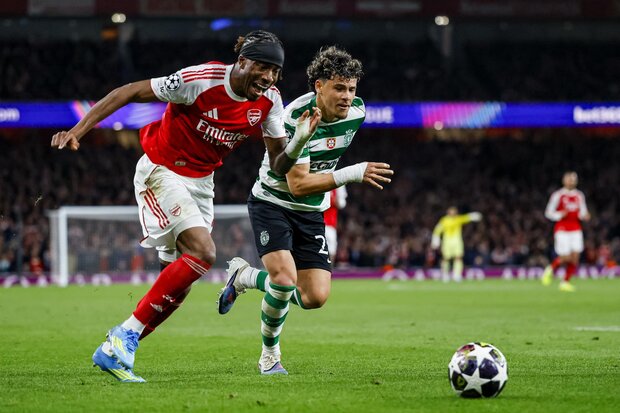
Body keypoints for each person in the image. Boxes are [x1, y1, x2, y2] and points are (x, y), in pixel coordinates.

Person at [51, 30, 321, 383]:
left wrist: (298, 140)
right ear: (242, 61)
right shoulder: (200, 80)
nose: (268, 77)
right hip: (162, 170)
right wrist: (78, 130)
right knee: (203, 252)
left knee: (180, 285)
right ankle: (122, 336)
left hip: (202, 184)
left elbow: (279, 164)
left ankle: (114, 348)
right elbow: (128, 91)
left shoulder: (270, 101)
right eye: (262, 67)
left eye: (275, 71)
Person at [216, 46, 393, 374]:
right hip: (273, 202)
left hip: (311, 210)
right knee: (284, 280)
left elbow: (321, 166)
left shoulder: (357, 112)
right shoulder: (295, 117)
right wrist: (354, 172)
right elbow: (298, 184)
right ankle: (270, 355)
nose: (347, 96)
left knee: (315, 297)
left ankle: (245, 276)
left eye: (351, 88)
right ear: (319, 86)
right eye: (339, 88)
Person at [541, 171, 590, 292]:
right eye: (569, 179)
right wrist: (559, 214)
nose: (572, 181)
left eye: (574, 179)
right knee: (566, 257)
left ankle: (565, 282)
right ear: (564, 180)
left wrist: (585, 216)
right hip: (562, 229)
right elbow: (548, 212)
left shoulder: (579, 195)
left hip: (576, 228)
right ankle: (550, 269)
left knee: (575, 257)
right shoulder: (558, 195)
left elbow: (582, 212)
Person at [430, 206, 482, 282]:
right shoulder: (444, 220)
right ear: (448, 212)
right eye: (451, 211)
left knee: (458, 258)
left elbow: (466, 218)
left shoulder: (458, 219)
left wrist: (473, 216)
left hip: (457, 241)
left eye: (454, 211)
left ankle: (457, 274)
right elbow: (438, 229)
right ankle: (445, 274)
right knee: (446, 258)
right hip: (447, 241)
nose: (453, 213)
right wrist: (435, 239)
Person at [324, 186, 348, 263]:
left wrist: (334, 200)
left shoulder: (338, 184)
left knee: (331, 250)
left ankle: (330, 269)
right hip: (315, 222)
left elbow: (342, 203)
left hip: (330, 223)